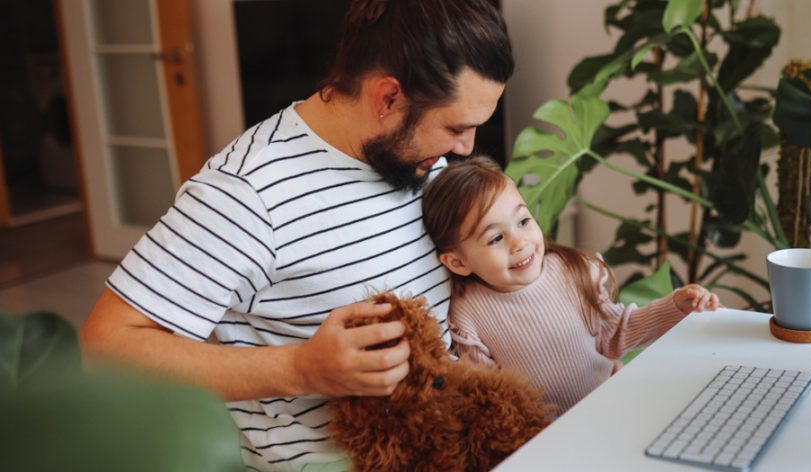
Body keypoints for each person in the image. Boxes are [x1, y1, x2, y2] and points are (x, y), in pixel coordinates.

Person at [79, 1, 513, 470]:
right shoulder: (246, 193)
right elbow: (106, 350)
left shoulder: (419, 157)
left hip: (442, 445)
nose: (466, 148)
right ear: (388, 98)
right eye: (456, 127)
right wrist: (300, 368)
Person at [421, 157, 721, 415]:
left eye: (523, 221)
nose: (520, 242)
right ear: (458, 263)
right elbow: (493, 398)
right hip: (545, 438)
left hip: (613, 404)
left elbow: (616, 331)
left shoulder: (571, 271)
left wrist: (675, 307)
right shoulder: (469, 315)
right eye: (496, 238)